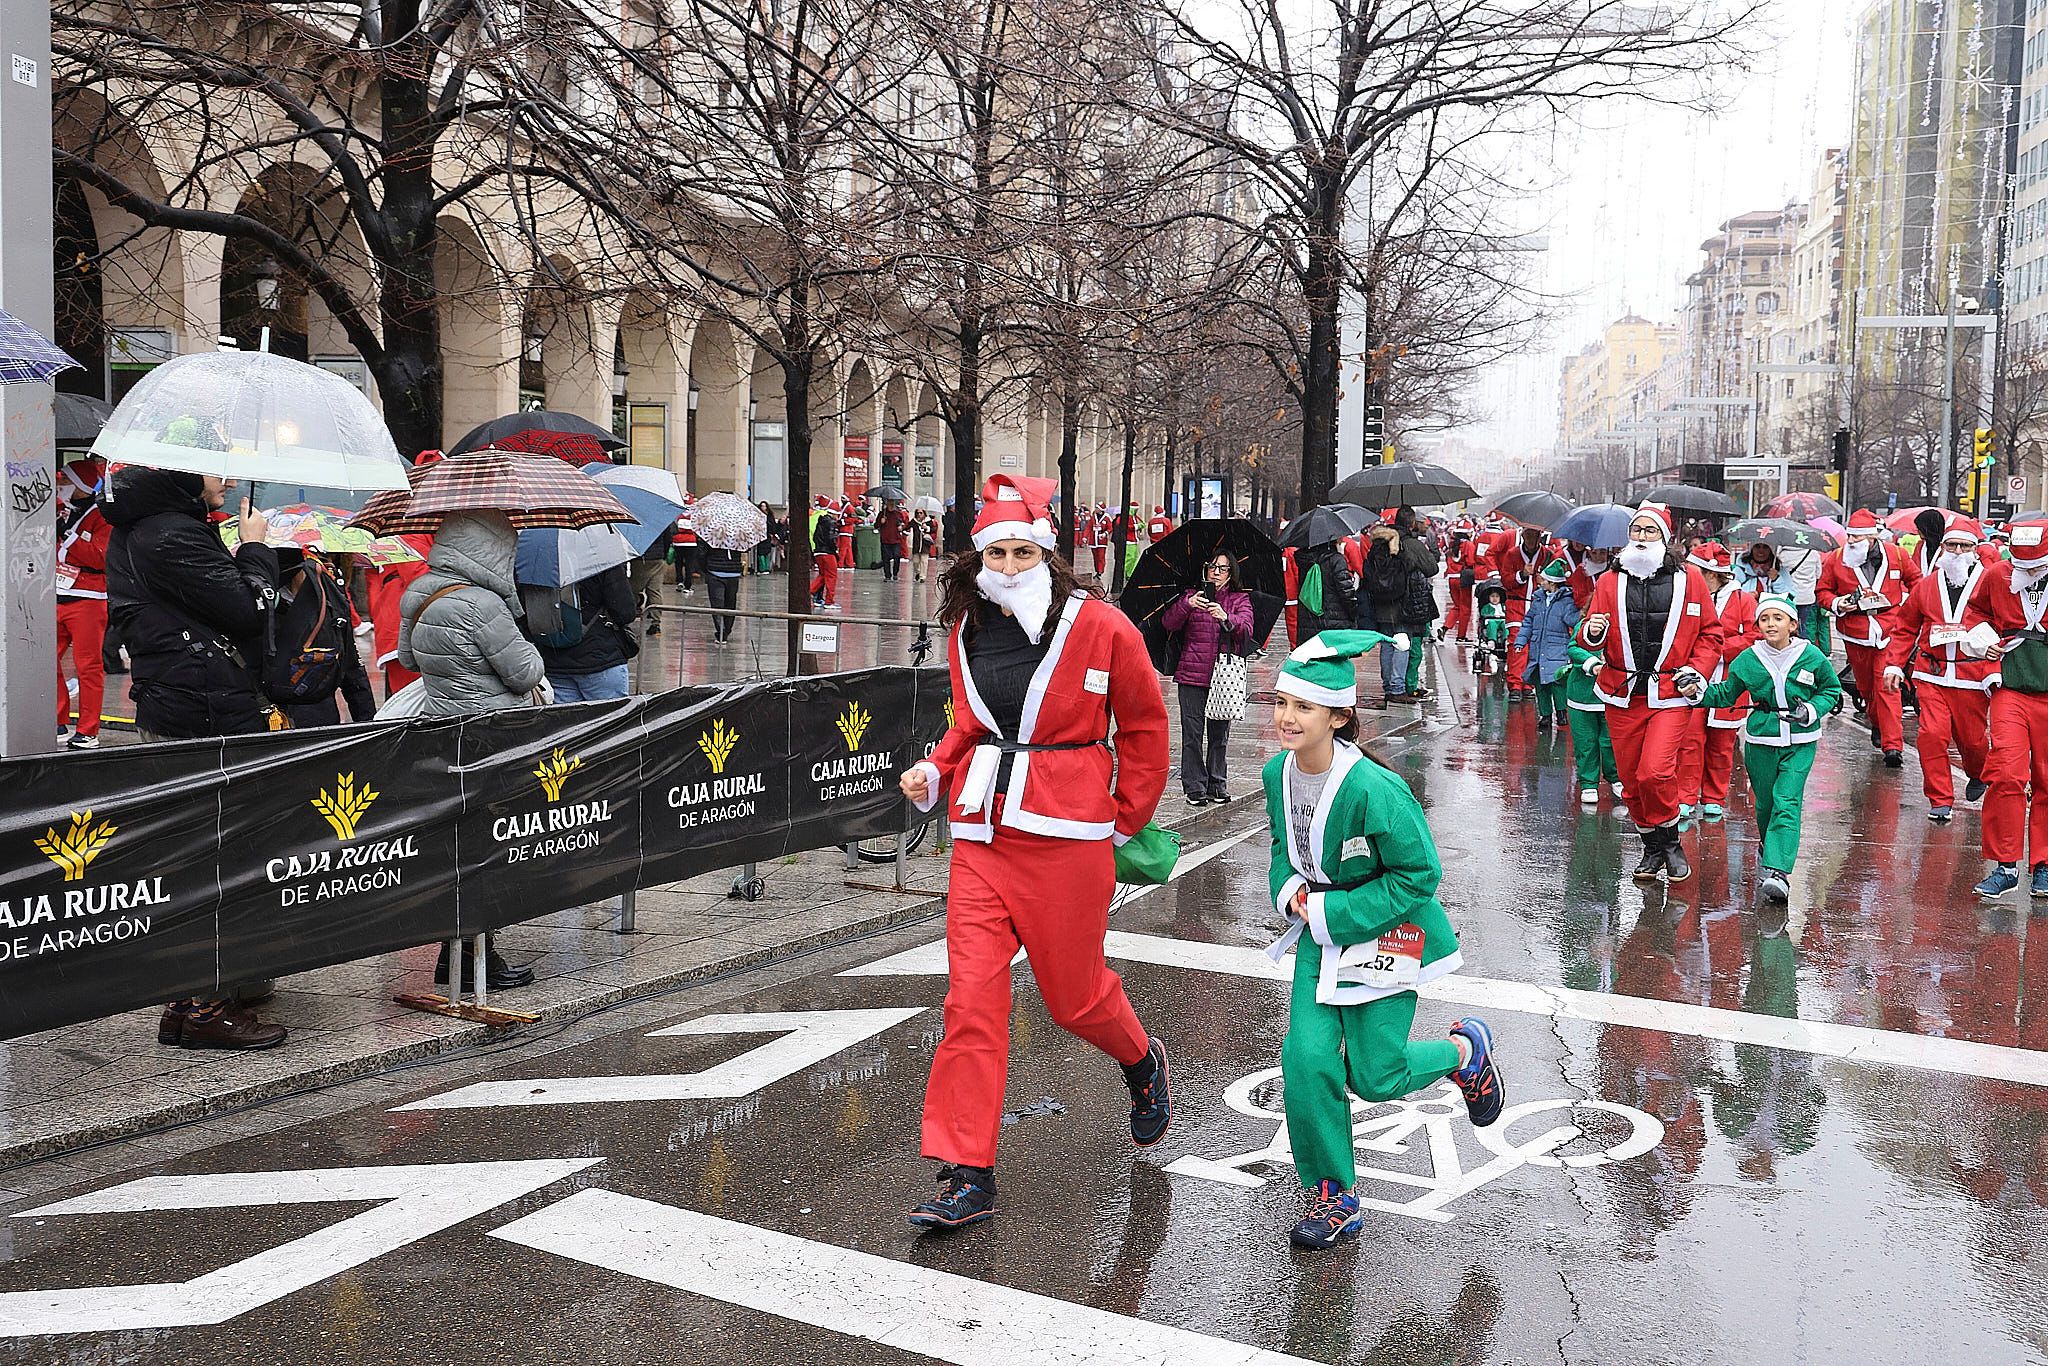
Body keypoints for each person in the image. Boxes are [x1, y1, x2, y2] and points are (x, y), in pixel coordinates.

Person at [896, 475, 1170, 1232]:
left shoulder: (1105, 627)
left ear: (1049, 555)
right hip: (982, 835)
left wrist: (1122, 821)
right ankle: (968, 1172)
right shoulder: (966, 631)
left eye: (1024, 552)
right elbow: (966, 724)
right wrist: (935, 767)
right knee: (970, 1003)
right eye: (999, 552)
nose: (1011, 566)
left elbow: (1144, 728)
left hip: (1071, 837)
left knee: (1073, 998)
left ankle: (1142, 1059)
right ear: (979, 557)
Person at [1263, 630, 1505, 1250]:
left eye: (1304, 707)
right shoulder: (1275, 773)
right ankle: (1331, 1193)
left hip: (1391, 931)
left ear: (1340, 715)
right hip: (1321, 932)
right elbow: (1280, 851)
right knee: (1307, 1059)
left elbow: (1419, 874)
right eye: (1282, 702)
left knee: (1375, 1076)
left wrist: (1333, 908)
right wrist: (1288, 887)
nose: (1288, 717)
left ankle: (1462, 1055)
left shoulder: (1376, 789)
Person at [104, 465, 288, 1050]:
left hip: (177, 702)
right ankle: (208, 1007)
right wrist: (257, 550)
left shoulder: (147, 527)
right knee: (220, 859)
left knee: (193, 856)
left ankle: (191, 1000)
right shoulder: (172, 534)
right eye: (217, 469)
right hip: (204, 708)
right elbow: (247, 610)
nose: (228, 480)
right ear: (185, 471)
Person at [398, 510, 545, 991]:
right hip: (493, 736)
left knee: (454, 842)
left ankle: (450, 950)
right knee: (489, 844)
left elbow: (405, 658)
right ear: (491, 552)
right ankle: (480, 956)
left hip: (441, 733)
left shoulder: (420, 591)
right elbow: (523, 672)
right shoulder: (482, 604)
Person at [1576, 503, 1724, 883]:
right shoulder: (1609, 581)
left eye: (1649, 531)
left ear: (1664, 537)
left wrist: (1698, 670)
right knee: (1629, 777)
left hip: (1671, 692)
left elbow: (1711, 634)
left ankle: (1671, 841)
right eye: (1636, 531)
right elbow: (1588, 636)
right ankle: (1650, 845)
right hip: (1622, 692)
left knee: (1654, 772)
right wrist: (1594, 632)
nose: (1641, 538)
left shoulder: (1690, 579)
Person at [1682, 592, 1842, 905]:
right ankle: (1770, 848)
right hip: (1761, 740)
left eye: (1777, 618)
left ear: (1793, 624)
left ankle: (1779, 872)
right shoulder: (1748, 658)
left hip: (1801, 740)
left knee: (1787, 800)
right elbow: (1727, 694)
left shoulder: (1812, 656)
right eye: (1765, 618)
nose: (1770, 624)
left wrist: (1810, 709)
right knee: (1766, 804)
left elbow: (1831, 690)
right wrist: (1694, 692)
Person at [1882, 519, 1997, 823]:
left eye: (1965, 546)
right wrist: (1894, 664)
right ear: (1943, 547)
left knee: (1973, 741)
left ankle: (1978, 773)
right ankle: (1940, 799)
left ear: (1975, 549)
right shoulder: (1927, 585)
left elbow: (2003, 626)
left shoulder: (1988, 582)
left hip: (1972, 676)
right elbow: (1905, 627)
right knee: (1931, 735)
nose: (1958, 551)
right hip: (1931, 675)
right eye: (1952, 545)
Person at [1976, 524, 2048, 897]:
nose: (2028, 571)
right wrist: (1984, 642)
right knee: (2006, 773)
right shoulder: (1997, 574)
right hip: (2011, 690)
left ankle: (2044, 864)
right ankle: (2006, 866)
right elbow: (1975, 613)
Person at [1817, 510, 1918, 767]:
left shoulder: (1897, 555)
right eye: (1849, 536)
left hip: (1889, 628)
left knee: (1886, 684)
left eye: (1858, 537)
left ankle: (1893, 746)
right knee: (1866, 688)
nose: (1851, 541)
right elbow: (1822, 591)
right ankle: (1877, 722)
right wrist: (1838, 603)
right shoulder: (1836, 559)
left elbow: (1917, 582)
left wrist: (1914, 609)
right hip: (1855, 631)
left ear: (1872, 538)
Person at [1161, 551, 1254, 804]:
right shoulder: (1192, 597)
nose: (1216, 572)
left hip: (1222, 677)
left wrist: (1226, 617)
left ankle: (1217, 783)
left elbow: (1247, 631)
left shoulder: (1238, 599)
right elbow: (1168, 624)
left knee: (1219, 735)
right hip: (1192, 675)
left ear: (1230, 574)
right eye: (1212, 566)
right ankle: (1194, 787)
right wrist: (1186, 605)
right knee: (1191, 734)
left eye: (1222, 568)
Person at [1675, 542, 1755, 823]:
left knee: (1722, 745)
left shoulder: (1743, 600)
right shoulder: (1686, 597)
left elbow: (1753, 638)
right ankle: (1685, 797)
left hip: (1728, 682)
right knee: (1689, 741)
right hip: (1693, 680)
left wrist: (1716, 648)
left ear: (1711, 574)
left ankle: (1713, 797)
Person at [275, 549, 378, 728]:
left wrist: (369, 724)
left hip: (320, 719)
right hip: (274, 718)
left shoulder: (330, 607)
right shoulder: (260, 607)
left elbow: (352, 669)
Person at [54, 466, 111, 750]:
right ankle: (58, 719)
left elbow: (100, 557)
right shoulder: (61, 509)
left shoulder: (102, 516)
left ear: (82, 485)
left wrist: (70, 537)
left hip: (87, 600)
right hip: (55, 596)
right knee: (44, 662)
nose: (61, 484)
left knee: (88, 667)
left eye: (66, 480)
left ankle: (88, 730)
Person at [535, 563, 640, 700]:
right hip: (600, 657)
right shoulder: (600, 557)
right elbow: (625, 613)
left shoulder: (538, 560)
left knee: (569, 720)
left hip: (554, 658)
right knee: (611, 718)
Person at [1514, 558, 1580, 731]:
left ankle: (1561, 711)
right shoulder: (1538, 599)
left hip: (1557, 648)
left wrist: (1582, 613)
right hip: (1538, 647)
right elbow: (1528, 621)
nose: (1540, 582)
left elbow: (1571, 620)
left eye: (1543, 580)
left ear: (1552, 583)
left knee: (1557, 681)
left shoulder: (1566, 601)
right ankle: (1545, 714)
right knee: (1541, 683)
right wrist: (1521, 640)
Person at [1495, 524, 1546, 702]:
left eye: (1535, 536)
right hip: (1517, 605)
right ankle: (1515, 684)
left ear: (1540, 537)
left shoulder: (1547, 555)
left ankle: (1528, 683)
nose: (1532, 540)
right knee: (1517, 643)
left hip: (1538, 606)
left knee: (1534, 644)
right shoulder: (1512, 554)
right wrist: (1522, 574)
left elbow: (1558, 579)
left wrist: (1545, 581)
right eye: (1528, 535)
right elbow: (1506, 581)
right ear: (1523, 536)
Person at [1294, 537, 1360, 643]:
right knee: (1334, 655)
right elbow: (1346, 591)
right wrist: (1353, 612)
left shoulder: (1305, 560)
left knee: (1315, 655)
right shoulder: (1336, 560)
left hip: (1309, 619)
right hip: (1335, 619)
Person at [702, 539, 744, 646]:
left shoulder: (711, 535)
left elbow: (701, 553)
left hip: (715, 572)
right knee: (730, 604)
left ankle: (721, 632)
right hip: (733, 573)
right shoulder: (739, 535)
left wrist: (706, 568)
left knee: (717, 605)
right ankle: (726, 630)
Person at [1445, 520, 1480, 641]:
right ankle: (1461, 636)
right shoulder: (1469, 545)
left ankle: (1445, 627)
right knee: (1465, 608)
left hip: (1451, 578)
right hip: (1463, 578)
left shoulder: (1452, 545)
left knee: (1457, 606)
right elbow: (1470, 562)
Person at [809, 497, 841, 611]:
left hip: (817, 551)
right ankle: (829, 601)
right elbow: (831, 539)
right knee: (831, 576)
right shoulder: (831, 522)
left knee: (822, 575)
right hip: (828, 552)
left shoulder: (818, 519)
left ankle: (809, 592)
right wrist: (835, 551)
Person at [877, 499, 908, 582]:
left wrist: (902, 527)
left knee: (897, 556)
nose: (891, 505)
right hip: (885, 539)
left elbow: (904, 524)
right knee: (886, 558)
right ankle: (887, 575)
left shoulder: (898, 514)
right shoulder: (882, 514)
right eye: (889, 503)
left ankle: (895, 573)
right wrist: (881, 522)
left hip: (896, 539)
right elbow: (876, 525)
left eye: (892, 503)